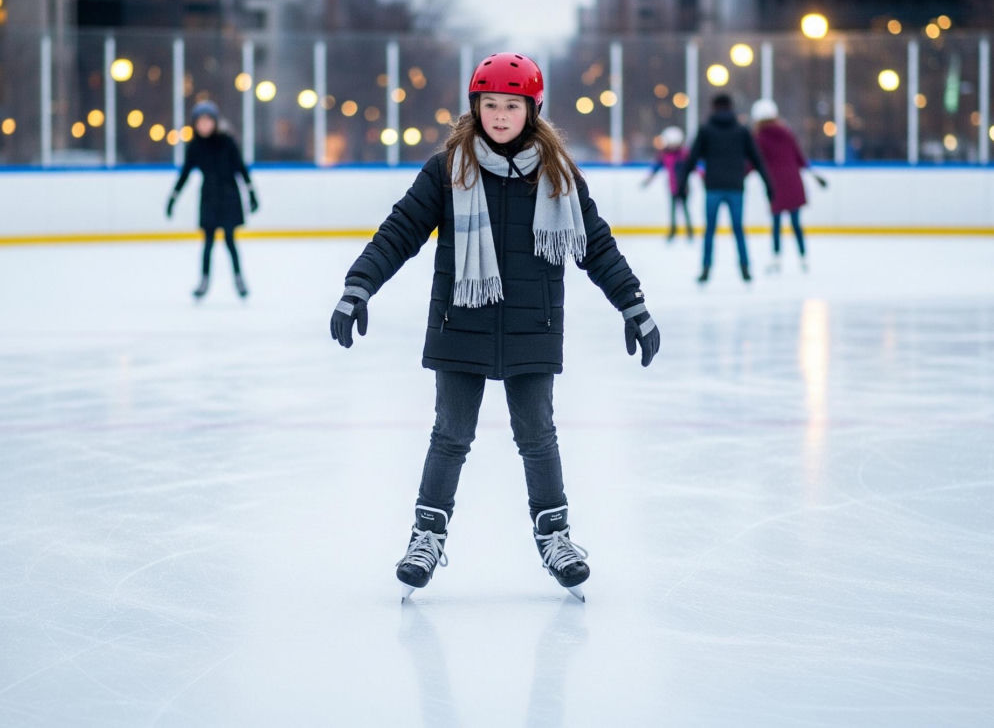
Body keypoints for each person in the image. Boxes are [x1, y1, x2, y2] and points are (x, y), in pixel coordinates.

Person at [329, 52, 660, 601]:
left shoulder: (558, 175)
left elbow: (595, 245)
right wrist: (358, 286)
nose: (500, 115)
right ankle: (427, 536)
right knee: (451, 435)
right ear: (474, 108)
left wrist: (633, 304)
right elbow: (399, 232)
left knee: (537, 437)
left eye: (511, 105)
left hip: (534, 325)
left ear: (532, 111)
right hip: (461, 323)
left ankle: (555, 537)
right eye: (490, 104)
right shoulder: (447, 169)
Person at [165, 100, 259, 299]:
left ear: (215, 122)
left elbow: (241, 169)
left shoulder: (227, 142)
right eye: (200, 122)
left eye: (208, 121)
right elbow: (185, 174)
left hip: (229, 196)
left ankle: (239, 278)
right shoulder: (195, 147)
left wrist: (251, 193)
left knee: (229, 241)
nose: (204, 125)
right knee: (207, 243)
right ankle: (204, 281)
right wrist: (173, 197)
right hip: (209, 197)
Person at [679, 93, 773, 284]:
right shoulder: (741, 130)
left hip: (713, 187)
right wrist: (768, 184)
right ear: (731, 107)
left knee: (710, 230)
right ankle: (745, 268)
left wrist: (682, 184)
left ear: (713, 107)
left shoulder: (706, 130)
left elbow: (692, 158)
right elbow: (757, 159)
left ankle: (705, 269)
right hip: (735, 187)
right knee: (738, 229)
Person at [750, 99, 827, 273]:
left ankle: (777, 259)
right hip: (793, 182)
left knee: (776, 223)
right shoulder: (786, 132)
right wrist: (811, 171)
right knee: (796, 223)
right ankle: (803, 258)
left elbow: (754, 161)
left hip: (775, 184)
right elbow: (799, 157)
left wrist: (740, 174)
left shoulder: (759, 137)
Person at [642, 126, 693, 241]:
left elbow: (693, 166)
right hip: (673, 187)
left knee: (685, 209)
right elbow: (657, 167)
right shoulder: (665, 155)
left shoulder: (684, 154)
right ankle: (673, 232)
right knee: (673, 210)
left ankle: (689, 232)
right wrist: (648, 179)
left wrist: (702, 174)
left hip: (684, 187)